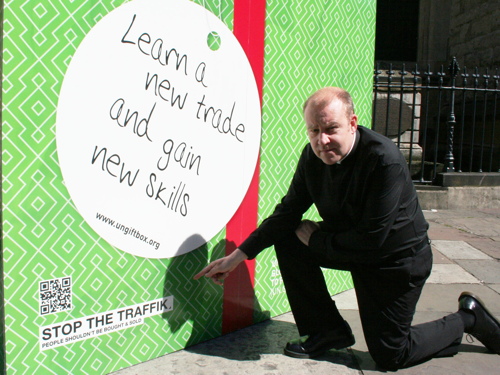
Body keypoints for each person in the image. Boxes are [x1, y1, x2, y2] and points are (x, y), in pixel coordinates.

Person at [194, 87, 500, 370]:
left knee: (391, 355)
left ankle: (467, 318)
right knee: (289, 236)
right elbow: (287, 213)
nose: (321, 140)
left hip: (395, 262)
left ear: (352, 123)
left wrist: (317, 243)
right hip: (349, 245)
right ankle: (326, 332)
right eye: (314, 130)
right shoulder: (311, 158)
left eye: (330, 129)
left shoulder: (385, 161)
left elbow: (373, 239)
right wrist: (238, 256)